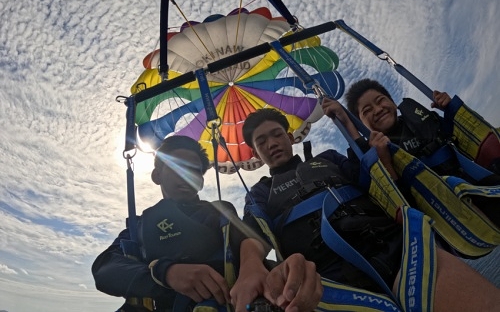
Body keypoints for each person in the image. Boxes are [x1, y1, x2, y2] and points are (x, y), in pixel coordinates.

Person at [230, 108, 500, 311]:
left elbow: (372, 177)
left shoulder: (328, 158)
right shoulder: (259, 193)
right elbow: (254, 230)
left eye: (277, 134)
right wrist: (250, 268)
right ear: (255, 154)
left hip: (396, 246)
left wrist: (346, 121)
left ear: (289, 137)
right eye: (261, 141)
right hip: (329, 282)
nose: (271, 144)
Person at [92, 135, 323, 312]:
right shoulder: (139, 226)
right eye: (177, 167)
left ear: (201, 182)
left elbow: (247, 240)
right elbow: (105, 268)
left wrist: (266, 272)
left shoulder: (221, 212)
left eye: (194, 171)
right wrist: (167, 273)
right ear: (156, 175)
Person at [329, 78, 500, 226]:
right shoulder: (372, 155)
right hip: (446, 219)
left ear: (393, 103)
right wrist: (385, 161)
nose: (378, 109)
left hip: (478, 188)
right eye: (367, 111)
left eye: (380, 101)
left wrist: (450, 111)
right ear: (361, 123)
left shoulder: (423, 119)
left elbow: (460, 139)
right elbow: (398, 203)